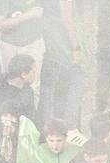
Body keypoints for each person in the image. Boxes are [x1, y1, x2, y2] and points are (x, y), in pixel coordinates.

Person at [37, 0, 87, 128]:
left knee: (50, 93)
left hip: (52, 44)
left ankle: (48, 131)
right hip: (64, 48)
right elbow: (67, 17)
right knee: (74, 88)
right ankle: (68, 129)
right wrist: (76, 47)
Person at [0, 0, 45, 103]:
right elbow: (1, 25)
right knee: (10, 85)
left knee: (33, 86)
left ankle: (30, 116)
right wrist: (29, 15)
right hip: (10, 46)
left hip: (33, 43)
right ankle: (11, 116)